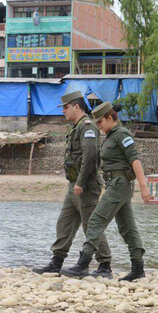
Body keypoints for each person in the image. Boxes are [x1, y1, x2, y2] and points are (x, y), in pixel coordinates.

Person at [61, 102, 151, 281]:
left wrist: (144, 187)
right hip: (114, 185)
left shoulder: (122, 134)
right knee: (127, 228)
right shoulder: (111, 135)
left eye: (101, 122)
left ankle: (83, 263)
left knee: (95, 221)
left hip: (120, 183)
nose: (99, 127)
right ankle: (138, 268)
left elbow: (135, 161)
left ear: (110, 118)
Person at [33, 91, 112, 278]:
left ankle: (105, 265)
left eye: (66, 107)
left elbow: (90, 156)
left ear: (76, 106)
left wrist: (81, 182)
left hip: (85, 186)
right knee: (65, 223)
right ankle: (56, 262)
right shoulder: (77, 128)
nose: (63, 112)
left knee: (91, 226)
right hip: (74, 186)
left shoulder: (88, 127)